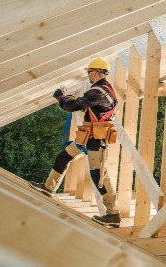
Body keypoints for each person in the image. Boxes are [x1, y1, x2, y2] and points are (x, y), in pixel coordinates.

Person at [29, 57, 122, 228]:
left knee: (99, 175)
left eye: (89, 72)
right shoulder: (105, 90)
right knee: (64, 156)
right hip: (89, 136)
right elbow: (87, 106)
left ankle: (113, 214)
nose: (88, 75)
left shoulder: (97, 92)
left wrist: (60, 98)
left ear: (95, 72)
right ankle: (49, 188)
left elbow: (71, 106)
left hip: (96, 139)